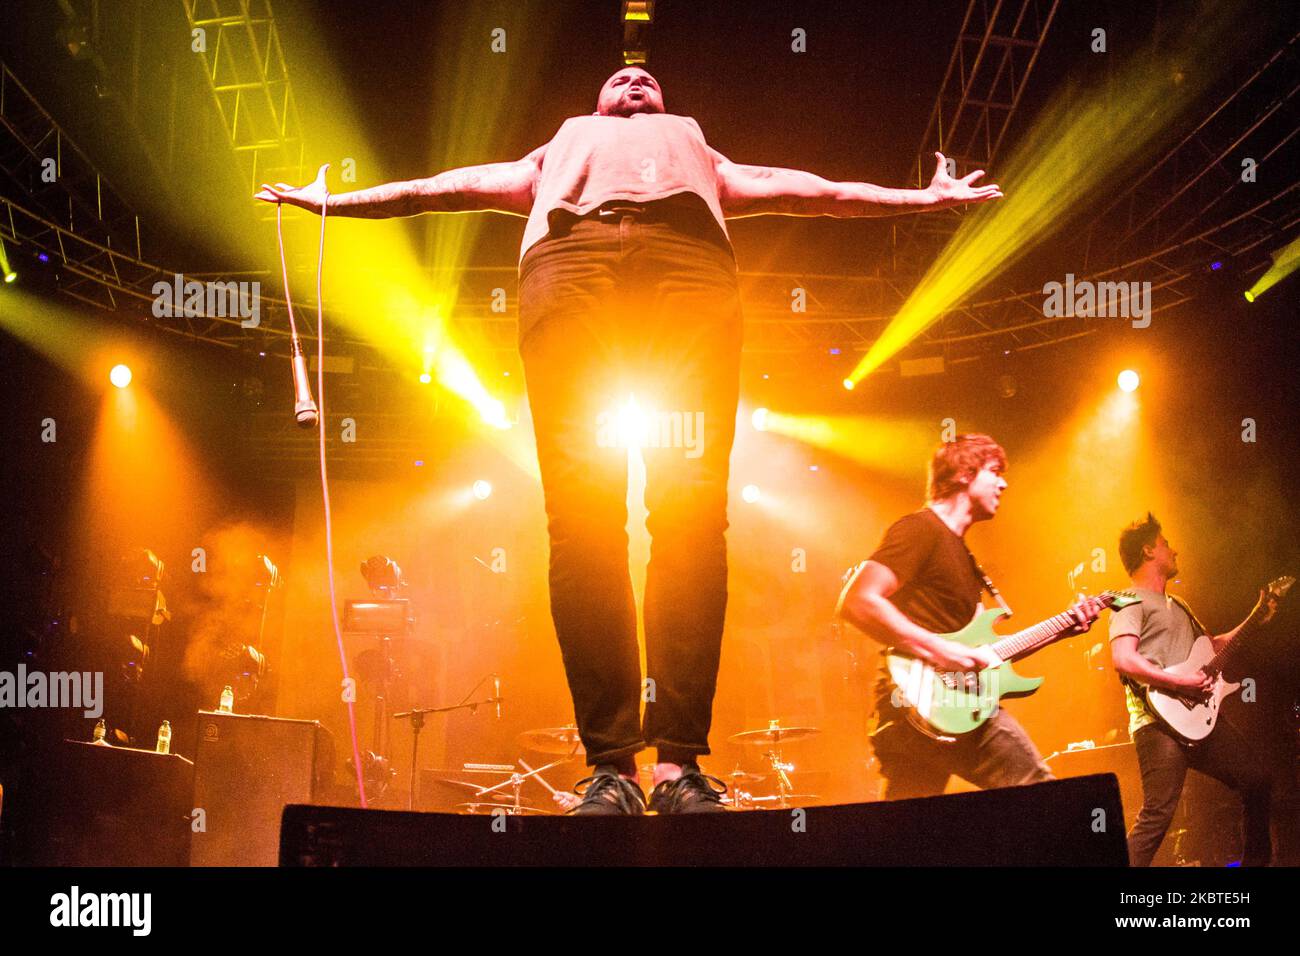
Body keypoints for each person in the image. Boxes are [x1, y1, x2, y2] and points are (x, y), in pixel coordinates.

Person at [258, 66, 1002, 815]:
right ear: (597, 102)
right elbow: (437, 186)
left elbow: (818, 190)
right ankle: (610, 766)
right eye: (621, 78)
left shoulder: (700, 153)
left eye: (647, 77)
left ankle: (679, 766)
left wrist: (924, 197)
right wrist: (331, 203)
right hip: (568, 259)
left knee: (690, 514)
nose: (635, 78)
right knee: (581, 519)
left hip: (690, 266)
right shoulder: (554, 151)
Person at [837, 433, 1102, 799]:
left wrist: (1062, 629)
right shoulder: (920, 529)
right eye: (995, 471)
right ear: (964, 473)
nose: (1004, 482)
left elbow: (985, 653)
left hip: (926, 713)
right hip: (922, 703)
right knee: (1042, 799)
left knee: (908, 838)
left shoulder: (965, 559)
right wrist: (941, 652)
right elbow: (857, 600)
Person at [1109, 512, 1275, 865]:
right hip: (1156, 725)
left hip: (1199, 719)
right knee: (1157, 816)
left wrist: (1255, 617)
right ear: (1148, 551)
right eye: (1165, 544)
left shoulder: (1178, 604)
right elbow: (1123, 659)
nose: (1175, 550)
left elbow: (1211, 647)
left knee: (1257, 780)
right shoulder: (1127, 600)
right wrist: (1181, 681)